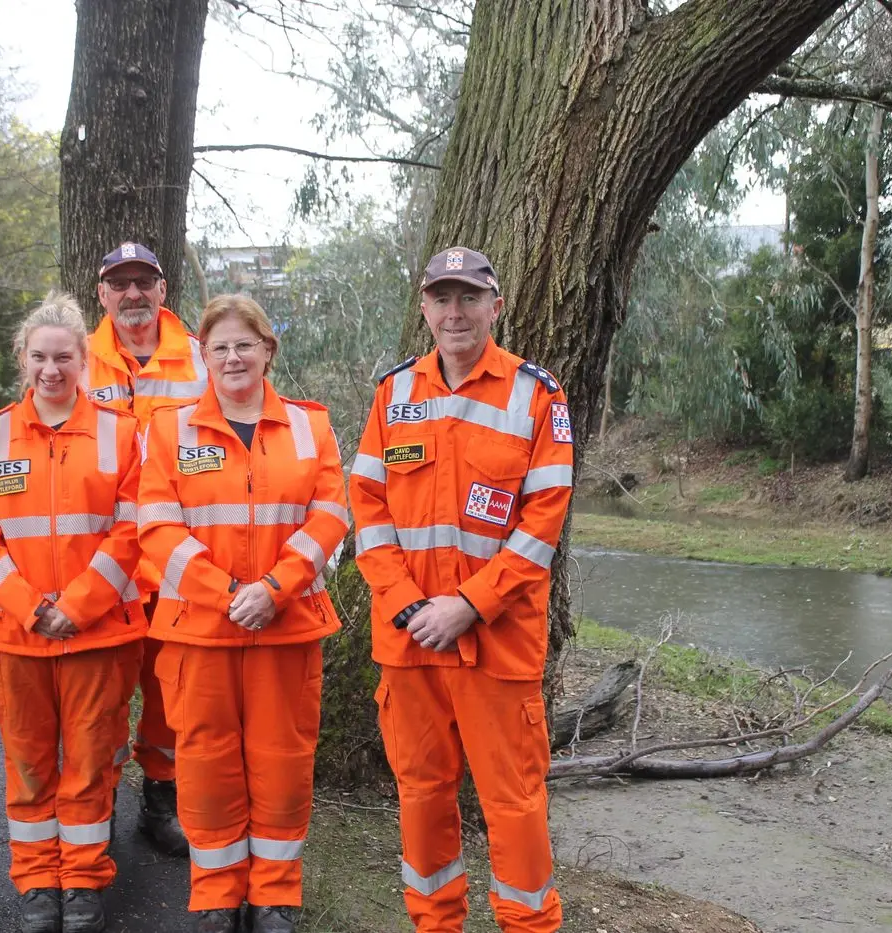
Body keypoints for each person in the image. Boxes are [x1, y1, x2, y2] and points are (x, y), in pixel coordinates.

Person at [349, 248, 575, 933]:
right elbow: (367, 507)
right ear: (424, 308)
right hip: (410, 641)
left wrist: (469, 604)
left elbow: (542, 525)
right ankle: (434, 924)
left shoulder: (536, 395)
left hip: (496, 644)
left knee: (513, 803)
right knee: (420, 796)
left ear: (494, 307)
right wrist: (408, 604)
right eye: (441, 298)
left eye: (468, 298)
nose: (454, 312)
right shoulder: (393, 394)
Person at [137, 295, 350, 933]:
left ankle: (275, 895)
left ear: (268, 351)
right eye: (219, 347)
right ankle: (215, 896)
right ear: (202, 357)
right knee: (205, 767)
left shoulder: (312, 426)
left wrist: (276, 588)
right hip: (201, 633)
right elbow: (155, 524)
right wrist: (225, 592)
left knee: (282, 763)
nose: (232, 357)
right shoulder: (169, 429)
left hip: (286, 630)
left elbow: (332, 514)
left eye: (244, 344)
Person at [0, 292, 145, 933]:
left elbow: (133, 529)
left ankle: (85, 881)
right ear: (22, 358)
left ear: (83, 360)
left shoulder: (121, 433)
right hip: (15, 637)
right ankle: (39, 881)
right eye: (39, 356)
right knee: (30, 763)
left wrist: (78, 606)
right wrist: (27, 605)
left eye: (63, 356)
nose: (50, 369)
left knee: (93, 762)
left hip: (97, 635)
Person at [86, 241, 205, 856]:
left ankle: (161, 801)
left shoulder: (201, 360)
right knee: (101, 697)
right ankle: (95, 805)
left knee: (171, 693)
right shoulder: (75, 362)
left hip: (175, 564)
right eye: (120, 283)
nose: (132, 294)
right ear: (102, 293)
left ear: (162, 289)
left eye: (143, 282)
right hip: (101, 566)